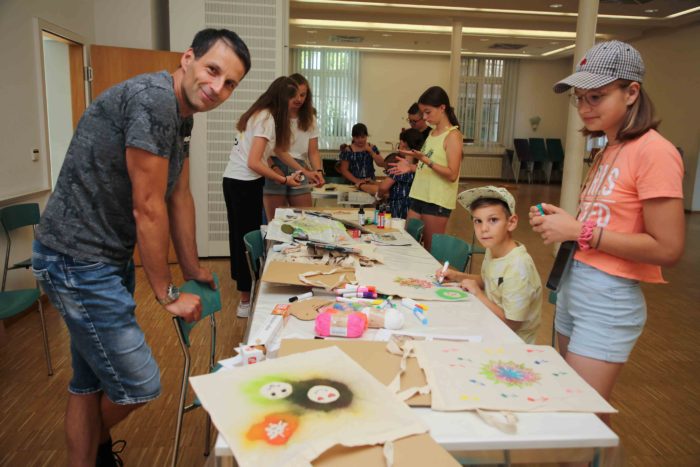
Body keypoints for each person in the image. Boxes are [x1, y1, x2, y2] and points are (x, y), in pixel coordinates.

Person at [31, 29, 251, 467]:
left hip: (105, 257)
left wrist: (192, 267)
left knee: (88, 384)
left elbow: (179, 195)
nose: (217, 87)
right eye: (212, 70)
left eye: (230, 83)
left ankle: (90, 457)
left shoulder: (182, 115)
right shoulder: (153, 101)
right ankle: (92, 447)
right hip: (77, 258)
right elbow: (148, 207)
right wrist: (167, 293)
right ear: (187, 58)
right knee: (139, 384)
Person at [529, 41, 685, 423]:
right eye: (580, 99)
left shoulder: (655, 151)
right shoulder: (609, 148)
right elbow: (606, 222)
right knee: (574, 409)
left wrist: (580, 231)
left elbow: (668, 248)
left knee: (582, 418)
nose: (585, 107)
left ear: (631, 92)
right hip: (576, 284)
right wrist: (567, 224)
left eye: (596, 96)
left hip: (608, 297)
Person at [223, 77, 320, 318]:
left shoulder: (261, 114)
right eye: (292, 97)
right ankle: (246, 299)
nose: (296, 102)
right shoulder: (266, 118)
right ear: (281, 97)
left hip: (238, 181)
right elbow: (254, 162)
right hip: (243, 183)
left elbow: (279, 151)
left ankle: (250, 292)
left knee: (244, 239)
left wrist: (306, 171)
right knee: (245, 242)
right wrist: (283, 179)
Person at [437, 186, 542, 344]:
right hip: (489, 325)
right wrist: (456, 276)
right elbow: (489, 280)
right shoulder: (492, 248)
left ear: (511, 222)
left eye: (493, 220)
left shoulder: (518, 267)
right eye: (478, 221)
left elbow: (511, 324)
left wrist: (478, 294)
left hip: (512, 344)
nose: (484, 229)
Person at [389, 86, 463, 251]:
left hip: (436, 200)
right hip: (419, 195)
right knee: (409, 244)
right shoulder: (432, 134)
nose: (425, 117)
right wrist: (411, 167)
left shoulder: (453, 136)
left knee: (431, 251)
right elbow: (427, 166)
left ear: (442, 107)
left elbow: (452, 174)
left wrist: (426, 161)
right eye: (423, 113)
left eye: (428, 112)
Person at [262, 73, 325, 221]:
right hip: (275, 166)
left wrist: (318, 171)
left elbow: (313, 152)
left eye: (303, 95)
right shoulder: (273, 116)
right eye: (295, 95)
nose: (299, 99)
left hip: (300, 168)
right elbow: (268, 150)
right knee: (275, 222)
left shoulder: (310, 118)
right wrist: (272, 167)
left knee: (305, 220)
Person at [378, 128, 425, 218]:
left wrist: (378, 196)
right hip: (416, 209)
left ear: (403, 144)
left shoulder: (401, 165)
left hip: (398, 208)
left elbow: (383, 187)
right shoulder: (421, 165)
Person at [338, 123, 385, 195]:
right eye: (357, 137)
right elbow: (344, 170)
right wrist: (357, 181)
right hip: (353, 183)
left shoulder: (372, 147)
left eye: (363, 137)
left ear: (366, 136)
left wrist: (371, 152)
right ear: (353, 137)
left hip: (370, 182)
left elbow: (382, 163)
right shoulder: (348, 150)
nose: (360, 140)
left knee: (371, 201)